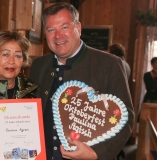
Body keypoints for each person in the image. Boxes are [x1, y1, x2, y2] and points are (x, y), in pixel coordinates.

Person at [29, 2, 134, 160]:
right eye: (51, 30)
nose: (58, 35)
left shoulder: (110, 64)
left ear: (78, 28)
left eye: (64, 27)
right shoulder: (38, 65)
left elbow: (125, 119)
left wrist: (96, 153)